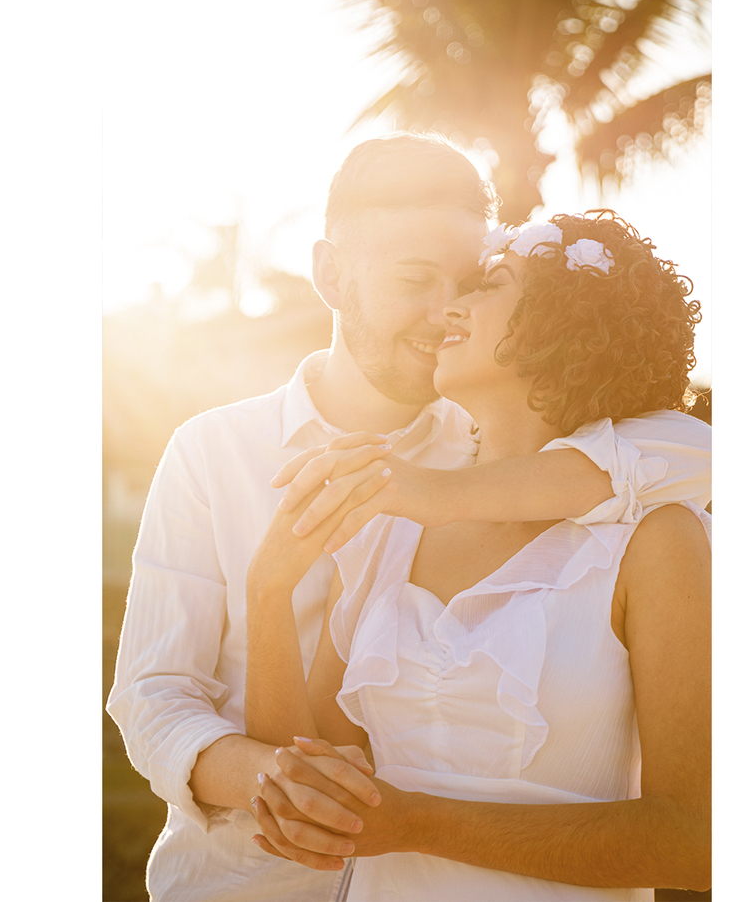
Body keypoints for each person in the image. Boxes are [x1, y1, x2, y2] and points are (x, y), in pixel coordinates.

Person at [107, 134, 711, 902]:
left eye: (470, 283)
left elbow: (691, 450)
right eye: (415, 279)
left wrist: (430, 491)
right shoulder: (212, 452)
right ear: (331, 274)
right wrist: (294, 772)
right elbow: (158, 697)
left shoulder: (501, 474)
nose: (444, 310)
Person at [242, 211, 711, 900]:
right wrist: (267, 595)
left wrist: (417, 825)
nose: (448, 307)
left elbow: (697, 845)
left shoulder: (654, 539)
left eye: (489, 284)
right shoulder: (389, 536)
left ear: (565, 323)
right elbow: (312, 770)